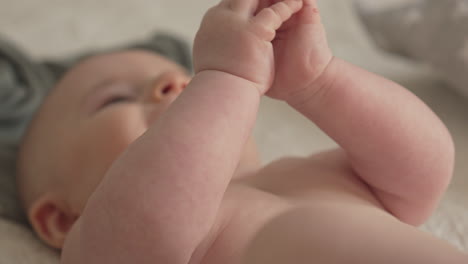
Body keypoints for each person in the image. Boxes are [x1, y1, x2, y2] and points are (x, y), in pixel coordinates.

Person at [16, 0, 468, 263]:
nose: (172, 85)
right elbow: (154, 222)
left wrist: (320, 82)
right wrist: (224, 79)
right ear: (62, 218)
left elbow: (424, 171)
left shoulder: (316, 172)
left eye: (189, 82)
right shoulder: (109, 236)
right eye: (114, 99)